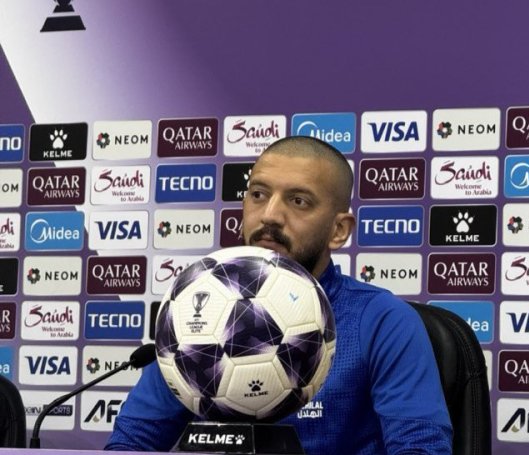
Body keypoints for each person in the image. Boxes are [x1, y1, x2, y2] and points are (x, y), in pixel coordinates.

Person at [105, 136, 453, 454]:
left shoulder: (382, 321)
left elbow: (421, 450)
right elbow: (130, 445)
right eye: (258, 194)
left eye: (298, 201)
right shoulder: (190, 314)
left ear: (338, 230)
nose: (270, 215)